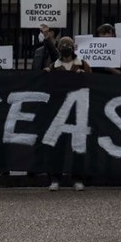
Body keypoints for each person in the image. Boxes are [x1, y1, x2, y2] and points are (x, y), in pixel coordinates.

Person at [46, 36, 90, 191]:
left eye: (69, 45)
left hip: (78, 111)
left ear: (74, 48)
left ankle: (77, 178)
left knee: (77, 145)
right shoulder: (53, 66)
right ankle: (55, 178)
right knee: (57, 146)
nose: (66, 47)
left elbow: (92, 83)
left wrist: (83, 75)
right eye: (63, 45)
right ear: (58, 48)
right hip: (59, 113)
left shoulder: (83, 65)